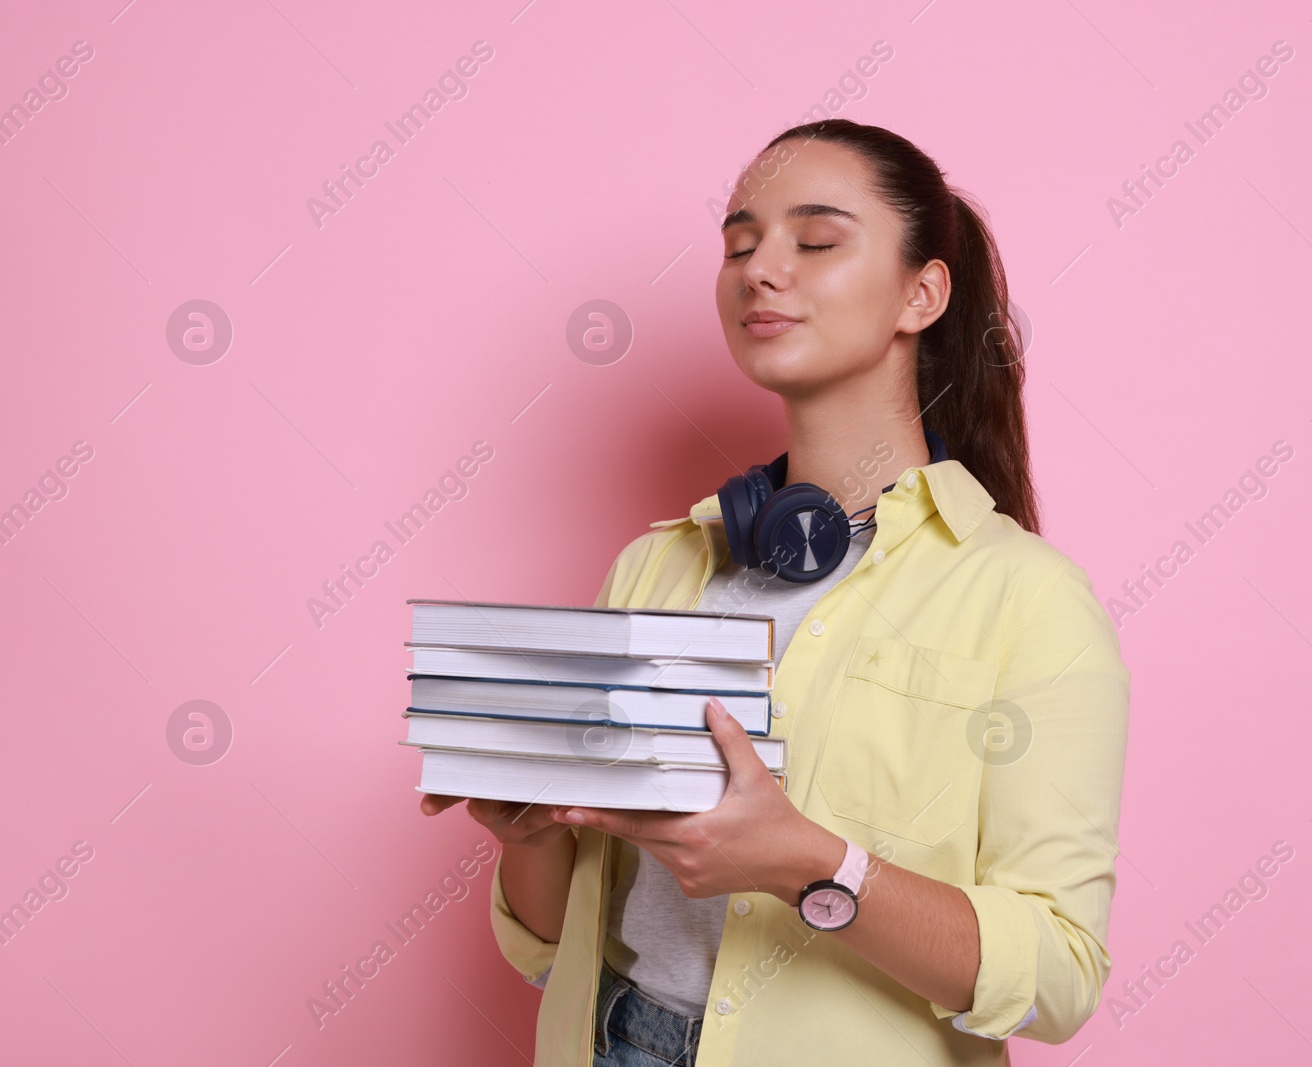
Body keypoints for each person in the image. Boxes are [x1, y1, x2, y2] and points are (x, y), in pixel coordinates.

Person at [421, 118, 1130, 1066]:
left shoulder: (1027, 597)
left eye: (819, 241)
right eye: (739, 244)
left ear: (922, 293)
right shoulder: (655, 567)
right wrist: (534, 833)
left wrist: (814, 864)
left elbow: (1057, 974)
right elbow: (555, 948)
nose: (760, 269)